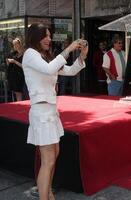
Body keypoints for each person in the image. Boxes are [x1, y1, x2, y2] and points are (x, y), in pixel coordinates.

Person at [22, 23, 88, 200]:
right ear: (35, 36)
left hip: (51, 112)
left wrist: (81, 56)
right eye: (46, 36)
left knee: (53, 155)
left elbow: (71, 71)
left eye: (50, 36)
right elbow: (50, 69)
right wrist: (68, 49)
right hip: (41, 112)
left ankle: (49, 193)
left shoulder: (45, 57)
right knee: (48, 160)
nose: (49, 39)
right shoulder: (30, 54)